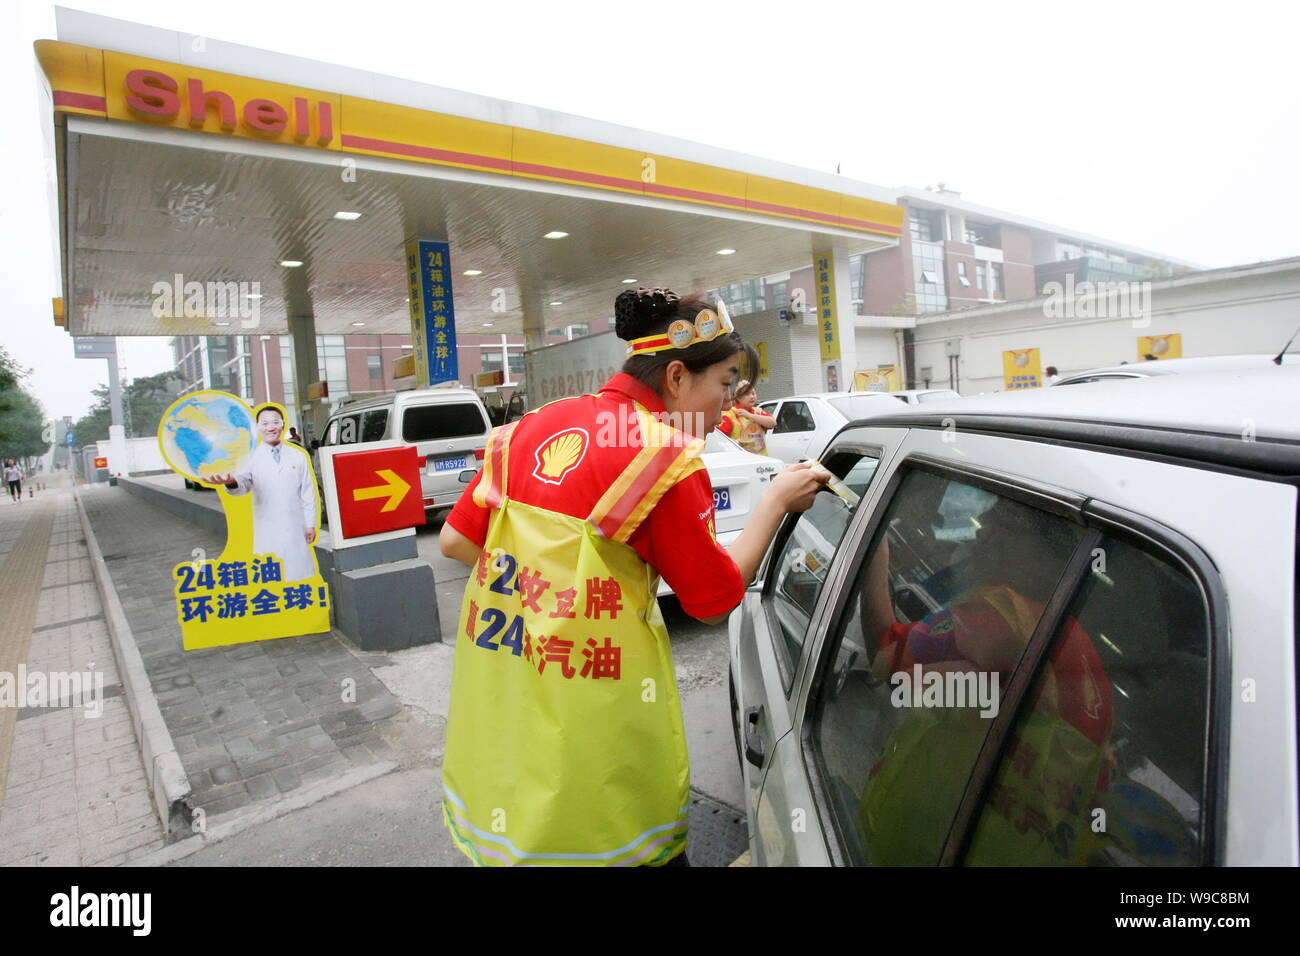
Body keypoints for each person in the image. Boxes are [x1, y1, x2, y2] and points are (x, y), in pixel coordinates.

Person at [437, 286, 828, 867]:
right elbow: (712, 598)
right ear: (676, 376)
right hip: (596, 748)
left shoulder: (530, 426)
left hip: (504, 727)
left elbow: (455, 541)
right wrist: (774, 503)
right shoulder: (662, 459)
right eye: (723, 383)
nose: (726, 406)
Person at [200, 404, 319, 582]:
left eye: (275, 422)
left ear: (283, 424)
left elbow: (307, 493)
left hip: (295, 525)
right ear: (257, 427)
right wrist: (231, 482)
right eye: (264, 423)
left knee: (299, 577)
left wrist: (310, 523)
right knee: (272, 577)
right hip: (267, 527)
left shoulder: (298, 455)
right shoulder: (250, 456)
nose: (270, 427)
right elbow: (243, 484)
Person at [716, 380, 776, 454]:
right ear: (738, 397)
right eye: (747, 394)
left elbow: (773, 423)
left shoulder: (758, 412)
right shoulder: (730, 414)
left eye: (753, 393)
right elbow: (719, 438)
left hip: (761, 459)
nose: (752, 396)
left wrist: (750, 415)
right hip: (741, 459)